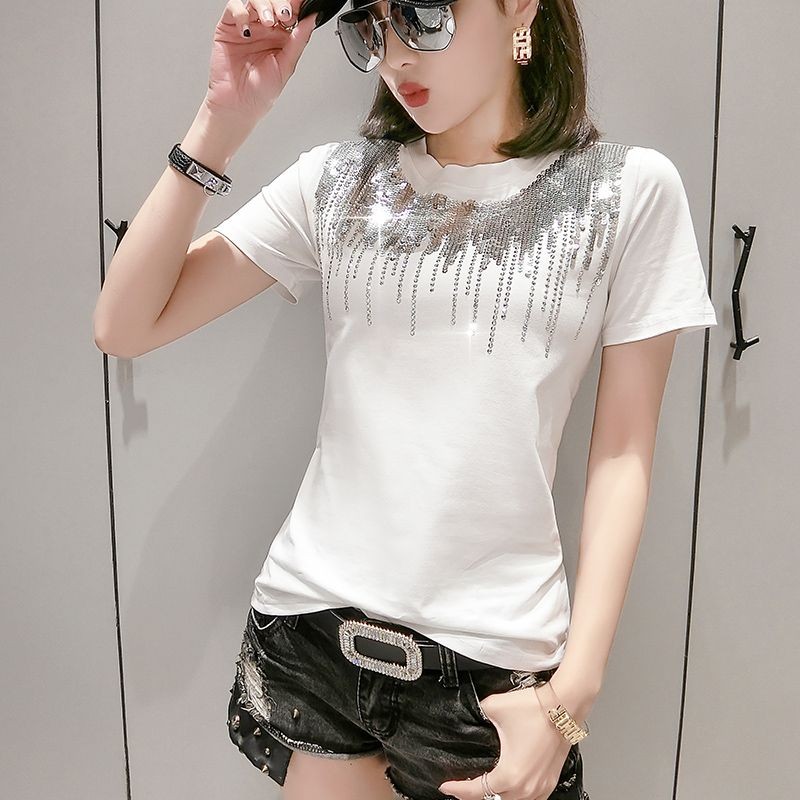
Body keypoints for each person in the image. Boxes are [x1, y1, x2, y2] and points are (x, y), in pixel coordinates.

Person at [92, 0, 718, 797]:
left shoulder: (624, 191)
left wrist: (573, 695)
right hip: (316, 635)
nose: (396, 55)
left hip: (489, 668)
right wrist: (222, 120)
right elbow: (124, 325)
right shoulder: (339, 181)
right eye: (372, 25)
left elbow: (623, 452)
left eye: (423, 14)